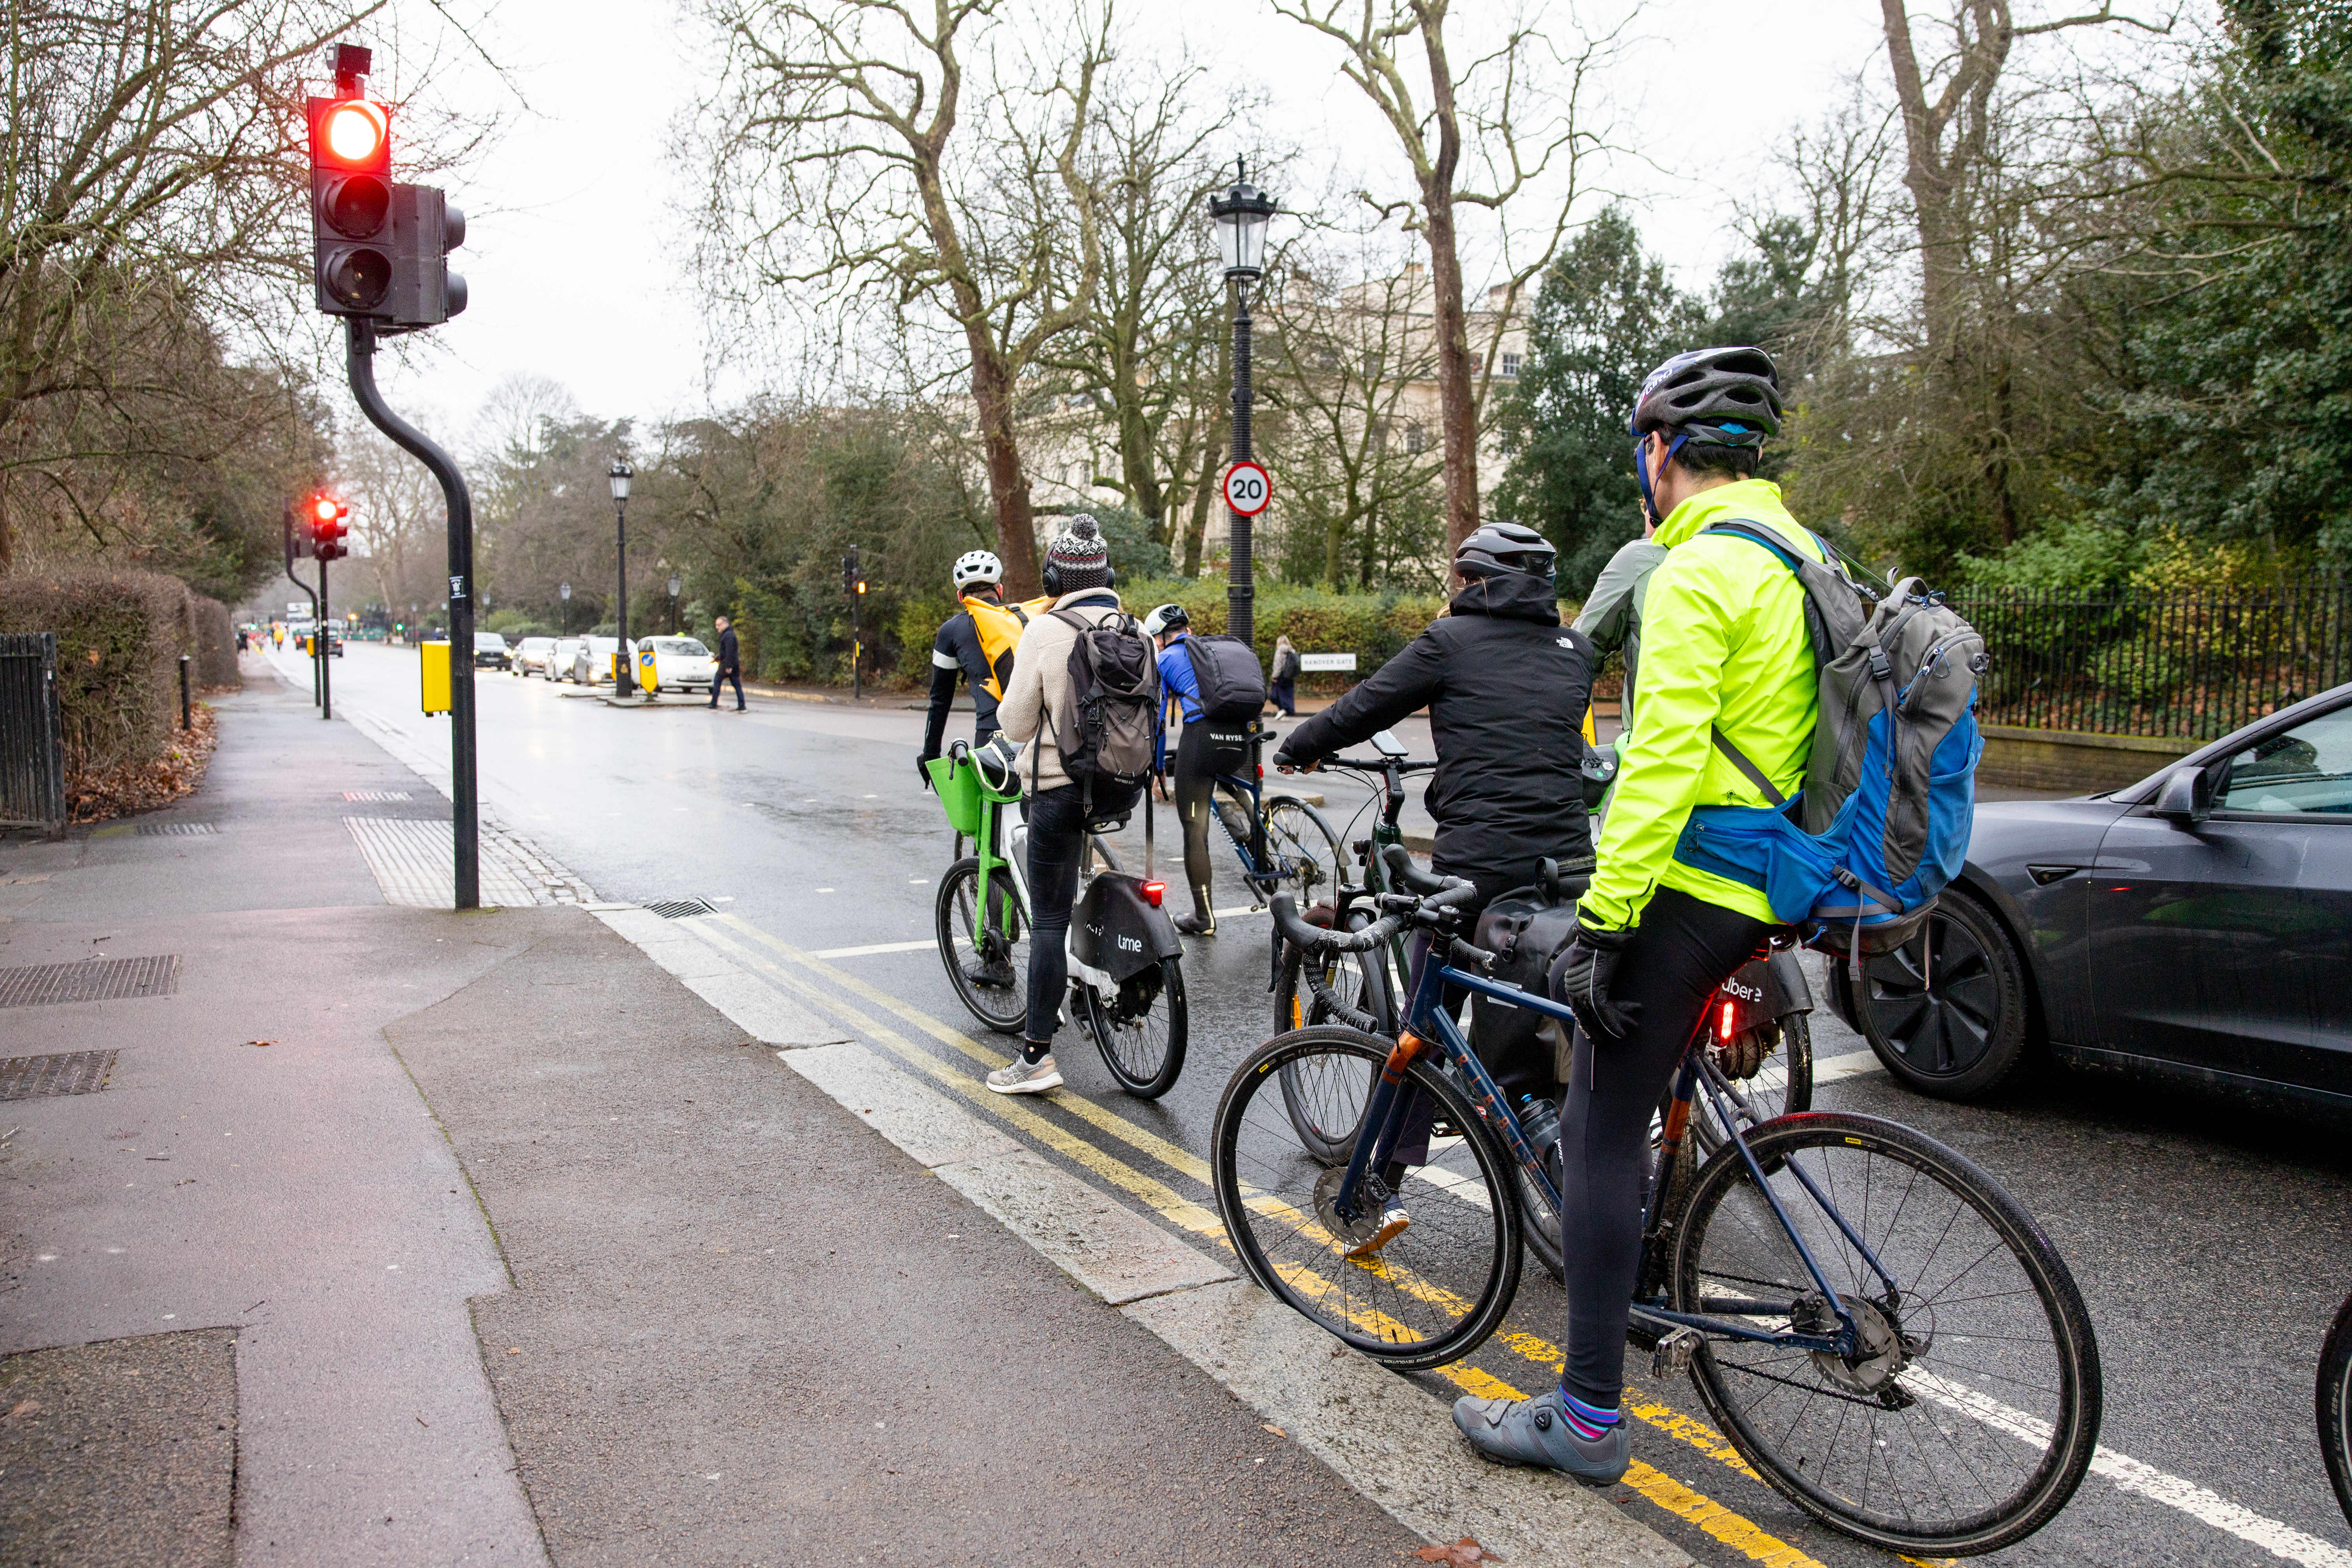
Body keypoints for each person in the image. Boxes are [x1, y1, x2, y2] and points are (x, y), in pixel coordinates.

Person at [1448, 345, 1814, 1488]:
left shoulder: (1693, 570)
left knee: (1598, 1128)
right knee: (1647, 1080)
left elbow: (1656, 760)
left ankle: (1589, 1416)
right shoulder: (1793, 551)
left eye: (1640, 453)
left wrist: (1604, 921)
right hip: (1772, 880)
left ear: (1658, 452)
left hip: (1693, 885)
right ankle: (1651, 1283)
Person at [1274, 522, 1597, 1176]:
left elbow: (1366, 705)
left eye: (1463, 582)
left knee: (1423, 1021)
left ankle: (1382, 1174)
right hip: (1568, 862)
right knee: (1547, 1000)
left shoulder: (1450, 641)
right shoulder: (1577, 651)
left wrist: (1297, 746)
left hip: (1479, 865)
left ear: (1480, 585)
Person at [989, 516, 1137, 1094]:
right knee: (1080, 877)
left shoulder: (1046, 630)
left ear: (1056, 574)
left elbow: (1017, 722)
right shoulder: (1130, 627)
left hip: (1059, 787)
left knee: (1048, 919)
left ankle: (1036, 1057)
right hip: (1120, 785)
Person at [1142, 602, 1217, 937]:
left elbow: (1158, 721)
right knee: (1228, 777)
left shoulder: (1165, 658)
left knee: (1194, 828)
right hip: (1240, 735)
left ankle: (1203, 918)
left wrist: (1158, 769)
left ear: (1160, 636)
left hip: (1201, 739)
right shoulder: (1211, 651)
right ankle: (1253, 837)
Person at [918, 550, 1020, 783]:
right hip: (1034, 735)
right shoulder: (1022, 619)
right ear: (1000, 590)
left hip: (990, 740)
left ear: (960, 597)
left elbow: (940, 700)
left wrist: (930, 755)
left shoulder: (951, 631)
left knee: (987, 815)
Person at [708, 616, 744, 710]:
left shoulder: (728, 636)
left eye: (719, 625)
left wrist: (729, 666)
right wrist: (718, 658)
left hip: (727, 664)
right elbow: (726, 651)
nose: (717, 627)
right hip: (732, 663)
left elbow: (730, 652)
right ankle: (742, 705)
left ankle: (714, 703)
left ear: (725, 624)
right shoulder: (729, 634)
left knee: (717, 681)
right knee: (736, 684)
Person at [1268, 634, 1300, 717]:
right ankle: (1289, 710)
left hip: (1281, 675)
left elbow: (1278, 665)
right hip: (1290, 676)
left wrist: (1275, 676)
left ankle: (1282, 710)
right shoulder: (1292, 650)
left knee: (1276, 694)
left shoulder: (1280, 650)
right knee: (1289, 693)